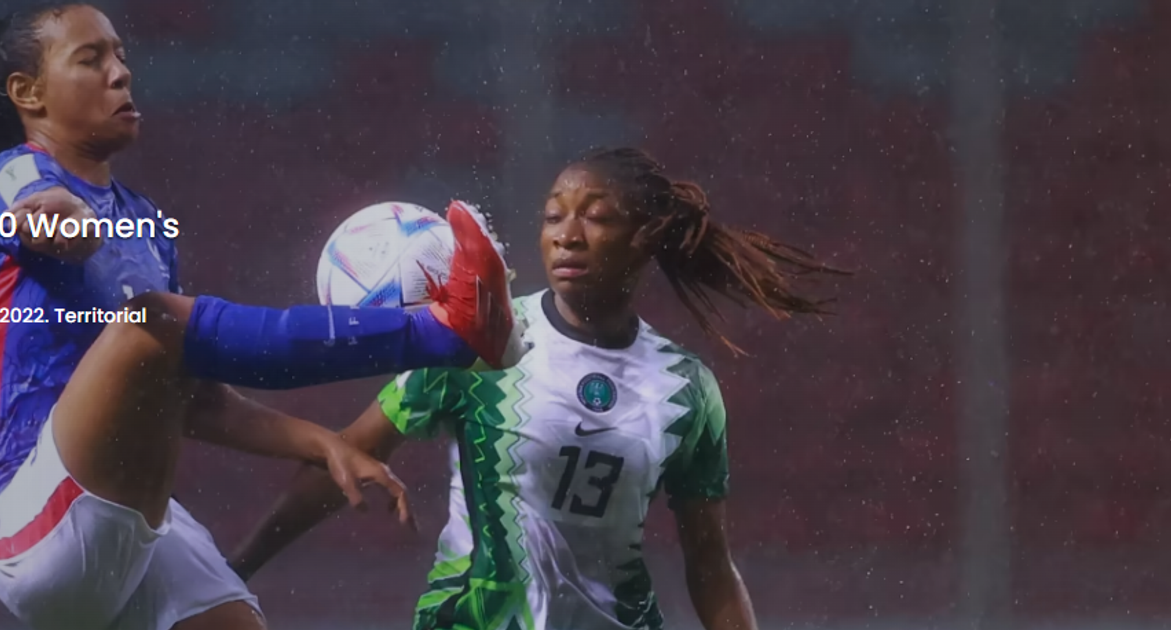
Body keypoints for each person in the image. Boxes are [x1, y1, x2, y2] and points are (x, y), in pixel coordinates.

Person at [0, 4, 525, 630]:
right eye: (90, 59)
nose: (121, 73)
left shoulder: (145, 223)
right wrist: (54, 219)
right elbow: (31, 210)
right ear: (28, 92)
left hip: (128, 527)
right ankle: (442, 331)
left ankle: (447, 331)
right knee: (149, 321)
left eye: (121, 55)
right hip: (27, 520)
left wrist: (324, 444)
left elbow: (196, 401)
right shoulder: (16, 173)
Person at [230, 147, 851, 630]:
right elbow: (347, 453)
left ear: (645, 238)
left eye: (596, 217)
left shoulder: (686, 389)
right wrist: (238, 569)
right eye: (554, 215)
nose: (567, 234)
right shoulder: (476, 343)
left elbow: (711, 565)